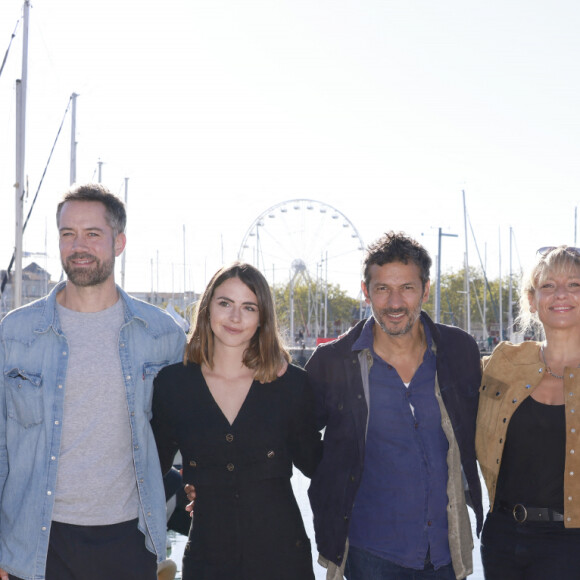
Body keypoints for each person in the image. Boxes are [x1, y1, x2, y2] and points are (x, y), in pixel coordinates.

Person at [0, 184, 187, 580]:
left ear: (119, 242)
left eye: (92, 234)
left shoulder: (162, 334)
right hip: (36, 540)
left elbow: (189, 428)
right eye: (68, 234)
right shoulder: (15, 334)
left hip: (130, 539)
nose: (78, 245)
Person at [306, 231, 483, 580]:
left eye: (407, 288)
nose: (394, 302)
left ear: (426, 289)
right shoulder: (333, 361)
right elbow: (296, 438)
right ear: (366, 290)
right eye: (383, 288)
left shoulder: (458, 351)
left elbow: (487, 429)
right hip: (369, 553)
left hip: (445, 552)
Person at [150, 262, 322, 580]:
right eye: (225, 303)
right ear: (207, 308)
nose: (235, 317)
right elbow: (150, 467)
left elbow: (316, 464)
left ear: (262, 318)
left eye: (248, 307)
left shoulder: (291, 384)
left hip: (283, 558)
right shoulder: (173, 384)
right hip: (207, 558)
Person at [476, 245, 580, 579]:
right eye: (548, 285)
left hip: (572, 544)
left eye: (575, 284)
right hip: (502, 537)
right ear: (532, 302)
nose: (560, 294)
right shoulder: (504, 365)